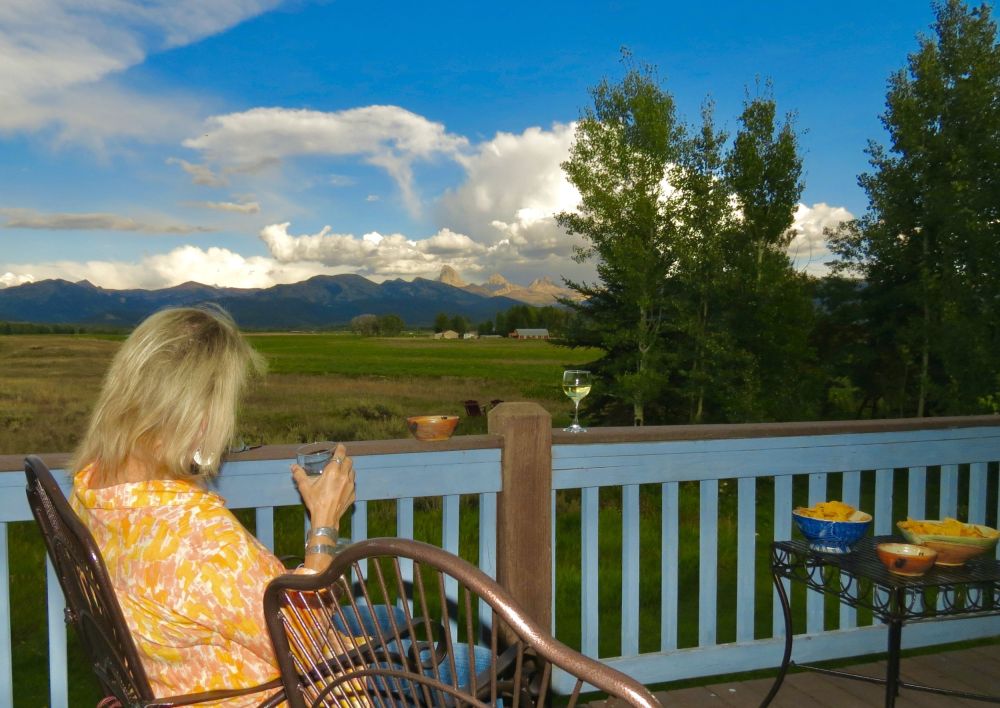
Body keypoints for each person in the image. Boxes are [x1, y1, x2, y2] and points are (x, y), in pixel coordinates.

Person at [69, 305, 356, 705]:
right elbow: (306, 646)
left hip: (177, 683)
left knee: (384, 618)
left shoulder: (91, 488)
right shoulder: (199, 536)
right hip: (291, 691)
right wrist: (324, 526)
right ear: (200, 418)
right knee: (441, 650)